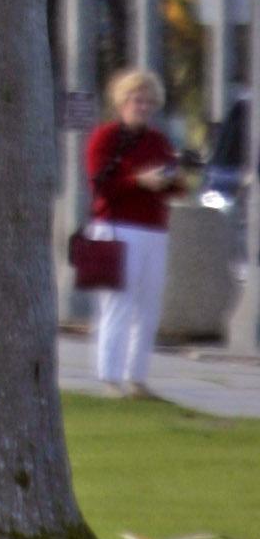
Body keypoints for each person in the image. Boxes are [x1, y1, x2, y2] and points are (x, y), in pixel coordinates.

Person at [83, 68, 183, 399]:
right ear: (122, 102)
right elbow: (100, 185)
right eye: (136, 99)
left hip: (153, 230)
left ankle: (137, 378)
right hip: (115, 227)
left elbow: (178, 188)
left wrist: (169, 178)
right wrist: (138, 180)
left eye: (148, 101)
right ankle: (110, 378)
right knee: (118, 303)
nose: (142, 106)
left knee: (149, 305)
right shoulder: (106, 137)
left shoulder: (159, 142)